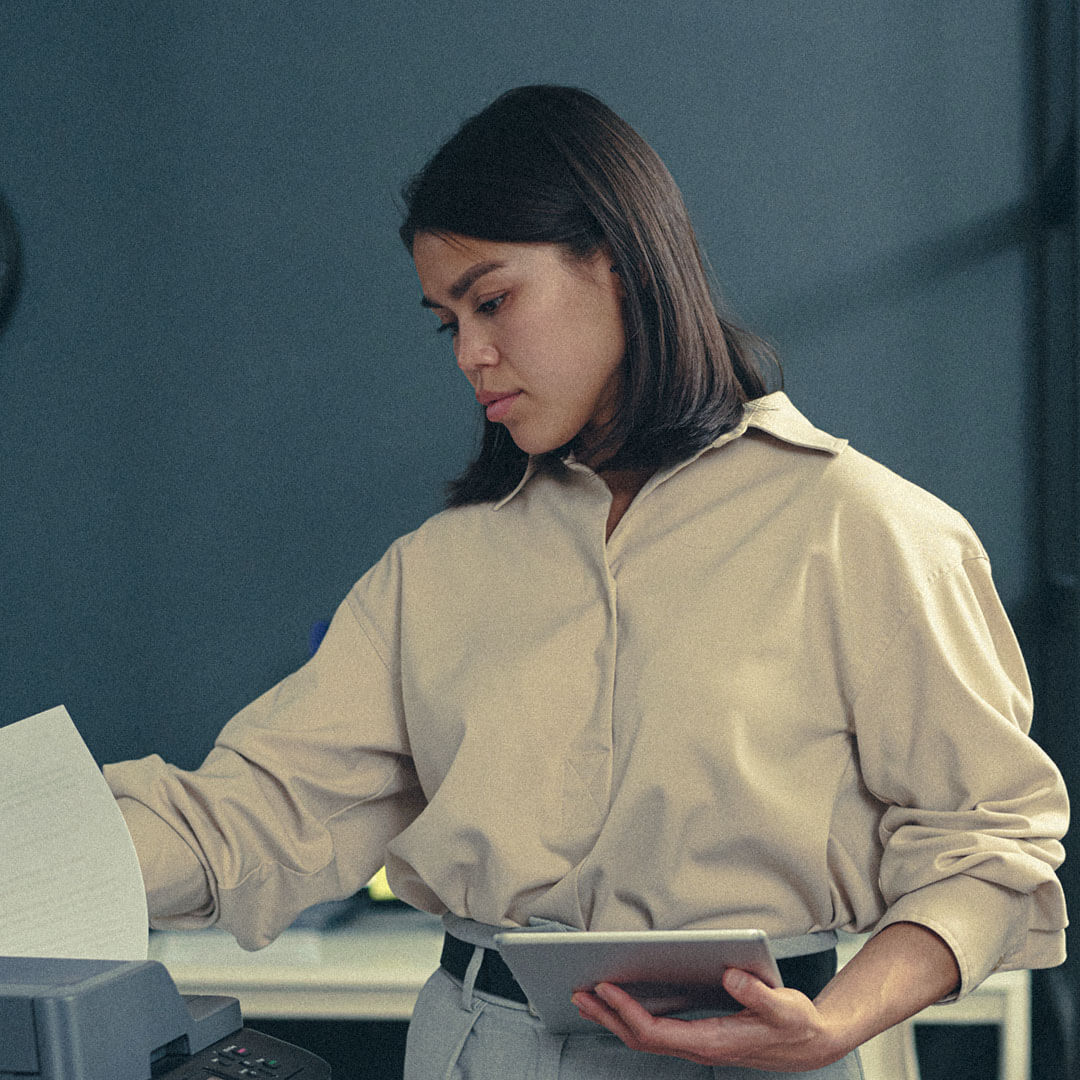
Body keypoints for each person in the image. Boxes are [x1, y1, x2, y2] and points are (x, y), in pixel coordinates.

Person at [104, 85, 1068, 1078]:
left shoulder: (867, 532)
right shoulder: (437, 571)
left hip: (768, 1054)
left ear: (617, 262)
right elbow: (248, 816)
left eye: (493, 299)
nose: (471, 353)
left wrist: (837, 1022)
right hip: (479, 1049)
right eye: (448, 323)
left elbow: (988, 844)